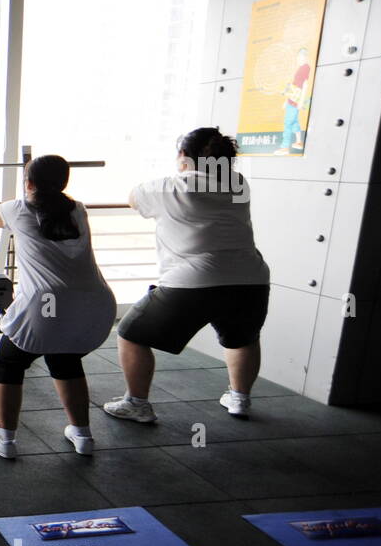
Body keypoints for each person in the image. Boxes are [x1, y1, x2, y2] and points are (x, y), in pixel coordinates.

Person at [104, 127, 270, 422]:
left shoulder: (172, 186)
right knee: (243, 338)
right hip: (251, 277)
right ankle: (240, 399)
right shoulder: (238, 184)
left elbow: (133, 198)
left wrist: (181, 170)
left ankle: (137, 403)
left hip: (193, 280)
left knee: (131, 333)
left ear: (184, 156)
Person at [0, 155, 117, 459]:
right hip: (95, 305)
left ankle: (5, 440)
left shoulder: (18, 208)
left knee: (8, 364)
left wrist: (5, 201)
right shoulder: (77, 209)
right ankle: (82, 435)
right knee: (64, 359)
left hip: (46, 307)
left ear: (29, 183)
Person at [274, 48, 311, 155]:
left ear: (304, 57)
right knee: (294, 122)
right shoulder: (301, 67)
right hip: (292, 98)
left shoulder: (305, 68)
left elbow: (305, 85)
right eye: (298, 57)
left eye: (300, 57)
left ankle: (285, 147)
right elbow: (294, 86)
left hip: (296, 100)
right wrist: (287, 100)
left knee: (288, 123)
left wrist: (301, 101)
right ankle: (299, 142)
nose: (298, 59)